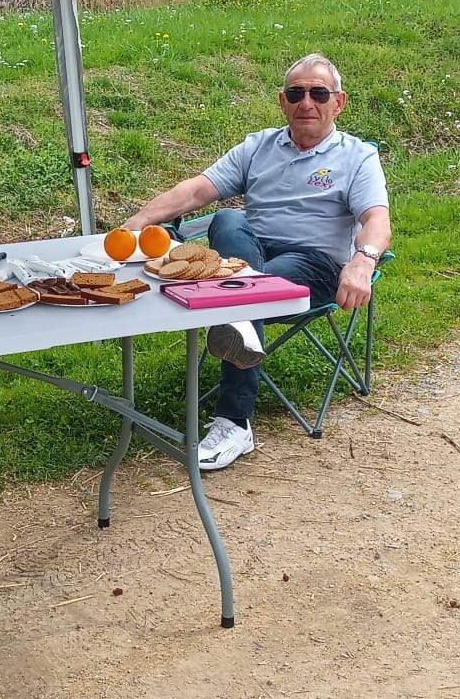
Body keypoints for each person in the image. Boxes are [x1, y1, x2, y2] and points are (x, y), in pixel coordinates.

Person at [123, 53, 391, 471]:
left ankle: (234, 421)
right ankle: (241, 316)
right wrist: (137, 222)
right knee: (228, 220)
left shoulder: (356, 157)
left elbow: (376, 220)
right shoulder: (259, 146)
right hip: (250, 257)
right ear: (282, 101)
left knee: (242, 292)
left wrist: (364, 261)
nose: (307, 102)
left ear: (338, 103)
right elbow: (197, 191)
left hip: (313, 266)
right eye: (296, 94)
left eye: (319, 93)